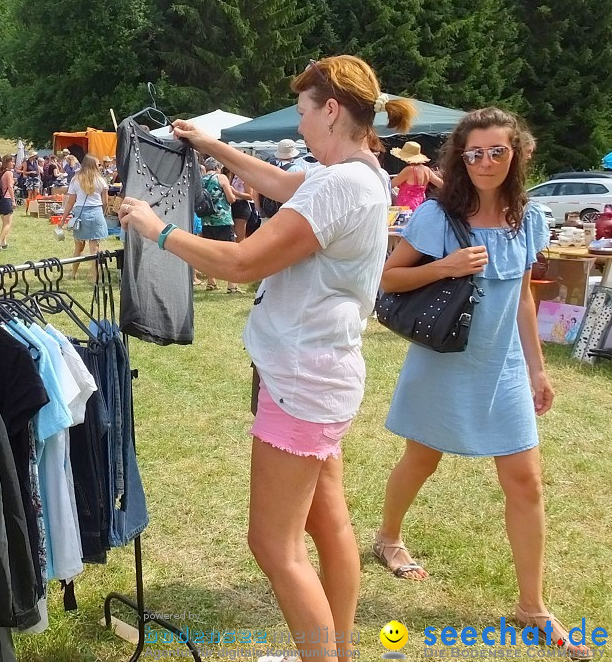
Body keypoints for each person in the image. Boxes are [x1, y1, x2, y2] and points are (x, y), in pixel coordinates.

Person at [118, 55, 412, 661]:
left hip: (302, 383)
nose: (299, 125)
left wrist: (157, 229)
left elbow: (244, 262)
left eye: (304, 111)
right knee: (327, 527)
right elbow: (280, 183)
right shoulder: (362, 172)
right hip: (322, 379)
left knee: (273, 546)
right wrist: (211, 144)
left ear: (331, 110)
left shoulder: (340, 185)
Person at [373, 108, 589, 659]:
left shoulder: (529, 218)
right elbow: (388, 279)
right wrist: (444, 267)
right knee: (421, 460)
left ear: (517, 153)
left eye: (497, 151)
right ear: (459, 159)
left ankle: (531, 607)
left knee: (526, 483)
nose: (486, 162)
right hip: (444, 361)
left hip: (505, 367)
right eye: (474, 154)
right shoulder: (437, 218)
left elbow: (521, 297)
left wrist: (538, 368)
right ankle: (387, 538)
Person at [58, 154, 109, 280]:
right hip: (96, 212)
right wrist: (102, 212)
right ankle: (95, 277)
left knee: (78, 247)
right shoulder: (101, 180)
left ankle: (73, 273)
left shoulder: (76, 179)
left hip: (80, 213)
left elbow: (70, 201)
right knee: (95, 248)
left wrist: (63, 219)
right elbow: (106, 202)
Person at [199, 158, 241, 293]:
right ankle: (232, 284)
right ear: (218, 167)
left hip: (206, 220)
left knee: (210, 252)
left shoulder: (201, 179)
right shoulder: (221, 177)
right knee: (230, 251)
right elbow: (231, 198)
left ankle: (211, 282)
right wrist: (233, 194)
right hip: (222, 219)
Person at [257, 139, 308, 221]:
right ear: (292, 155)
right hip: (287, 210)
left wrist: (258, 207)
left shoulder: (268, 166)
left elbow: (258, 188)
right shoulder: (297, 170)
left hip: (268, 208)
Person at [389, 141, 442, 209]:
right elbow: (441, 185)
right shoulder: (427, 170)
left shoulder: (409, 170)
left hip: (405, 206)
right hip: (421, 204)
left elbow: (391, 184)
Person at [227, 167, 260, 241]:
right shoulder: (233, 176)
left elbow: (250, 196)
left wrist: (235, 192)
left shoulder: (245, 178)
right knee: (233, 233)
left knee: (239, 235)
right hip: (233, 204)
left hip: (242, 206)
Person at [0, 154, 16, 250]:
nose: (13, 163)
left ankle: (4, 242)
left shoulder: (0, 172)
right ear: (7, 162)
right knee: (8, 223)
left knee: (4, 222)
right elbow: (10, 187)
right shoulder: (9, 173)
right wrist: (13, 200)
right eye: (12, 161)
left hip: (0, 200)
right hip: (7, 199)